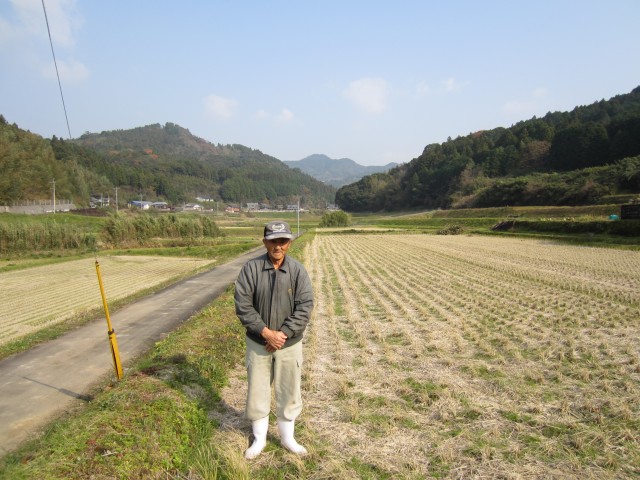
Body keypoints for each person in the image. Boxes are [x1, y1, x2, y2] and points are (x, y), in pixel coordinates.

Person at [234, 220, 314, 459]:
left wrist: (283, 334)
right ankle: (259, 439)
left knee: (289, 390)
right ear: (264, 242)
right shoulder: (251, 269)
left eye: (283, 241)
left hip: (289, 344)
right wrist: (266, 332)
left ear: (289, 243)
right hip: (259, 343)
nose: (277, 246)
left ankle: (288, 438)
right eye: (273, 241)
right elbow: (243, 305)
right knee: (258, 390)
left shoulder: (298, 270)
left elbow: (305, 306)